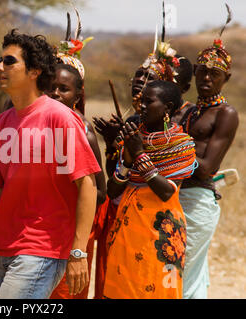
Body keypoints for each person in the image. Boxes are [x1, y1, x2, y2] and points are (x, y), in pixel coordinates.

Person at [0, 29, 100, 299]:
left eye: (9, 61)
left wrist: (78, 252)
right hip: (4, 249)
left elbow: (87, 185)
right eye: (0, 60)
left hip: (42, 250)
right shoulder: (5, 120)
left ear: (34, 71)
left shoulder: (60, 119)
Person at [103, 80, 196, 299]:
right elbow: (113, 190)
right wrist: (125, 160)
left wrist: (139, 155)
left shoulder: (181, 145)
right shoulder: (134, 137)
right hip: (127, 228)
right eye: (141, 101)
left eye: (149, 101)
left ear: (167, 107)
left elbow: (166, 192)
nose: (142, 106)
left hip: (159, 233)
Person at [46, 35, 107, 299]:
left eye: (63, 89)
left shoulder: (83, 131)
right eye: (50, 87)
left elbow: (100, 191)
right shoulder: (33, 124)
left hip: (69, 234)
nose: (55, 94)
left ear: (78, 95)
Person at [179, 37, 238, 299]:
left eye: (215, 74)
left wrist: (166, 154)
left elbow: (206, 168)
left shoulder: (227, 113)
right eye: (202, 71)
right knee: (186, 271)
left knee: (179, 268)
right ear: (194, 71)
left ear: (226, 78)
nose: (206, 78)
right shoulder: (187, 111)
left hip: (197, 201)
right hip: (173, 197)